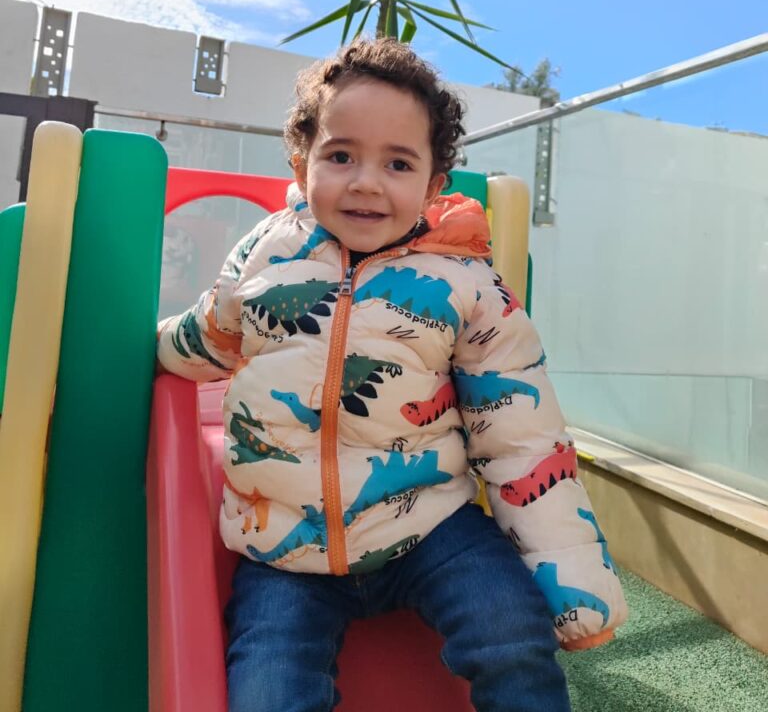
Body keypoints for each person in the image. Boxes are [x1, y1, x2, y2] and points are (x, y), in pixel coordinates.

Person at [157, 38, 628, 712]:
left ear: (434, 185)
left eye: (398, 163)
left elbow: (521, 433)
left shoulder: (466, 283)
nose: (366, 182)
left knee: (511, 631)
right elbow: (210, 333)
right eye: (341, 156)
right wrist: (142, 347)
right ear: (302, 163)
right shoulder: (266, 254)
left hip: (430, 523)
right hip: (285, 543)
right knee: (267, 686)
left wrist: (573, 580)